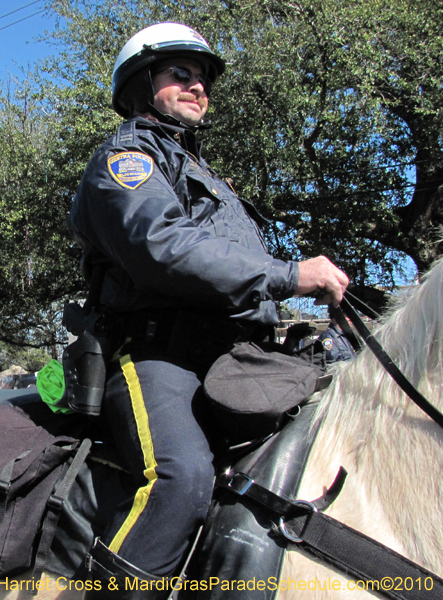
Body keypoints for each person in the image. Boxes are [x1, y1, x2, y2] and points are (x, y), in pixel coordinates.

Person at [66, 22, 349, 596]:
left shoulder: (208, 178)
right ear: (143, 84)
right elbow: (165, 249)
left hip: (230, 359)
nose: (197, 87)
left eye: (202, 79)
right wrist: (289, 274)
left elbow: (232, 277)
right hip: (156, 357)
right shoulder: (125, 160)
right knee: (183, 478)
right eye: (181, 74)